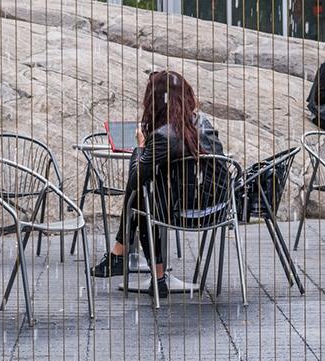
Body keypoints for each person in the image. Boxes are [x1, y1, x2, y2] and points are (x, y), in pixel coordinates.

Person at [90, 71, 225, 298]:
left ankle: (150, 273)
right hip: (218, 207)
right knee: (149, 194)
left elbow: (135, 177)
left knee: (143, 197)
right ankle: (120, 256)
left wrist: (141, 146)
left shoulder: (164, 135)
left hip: (182, 211)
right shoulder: (203, 123)